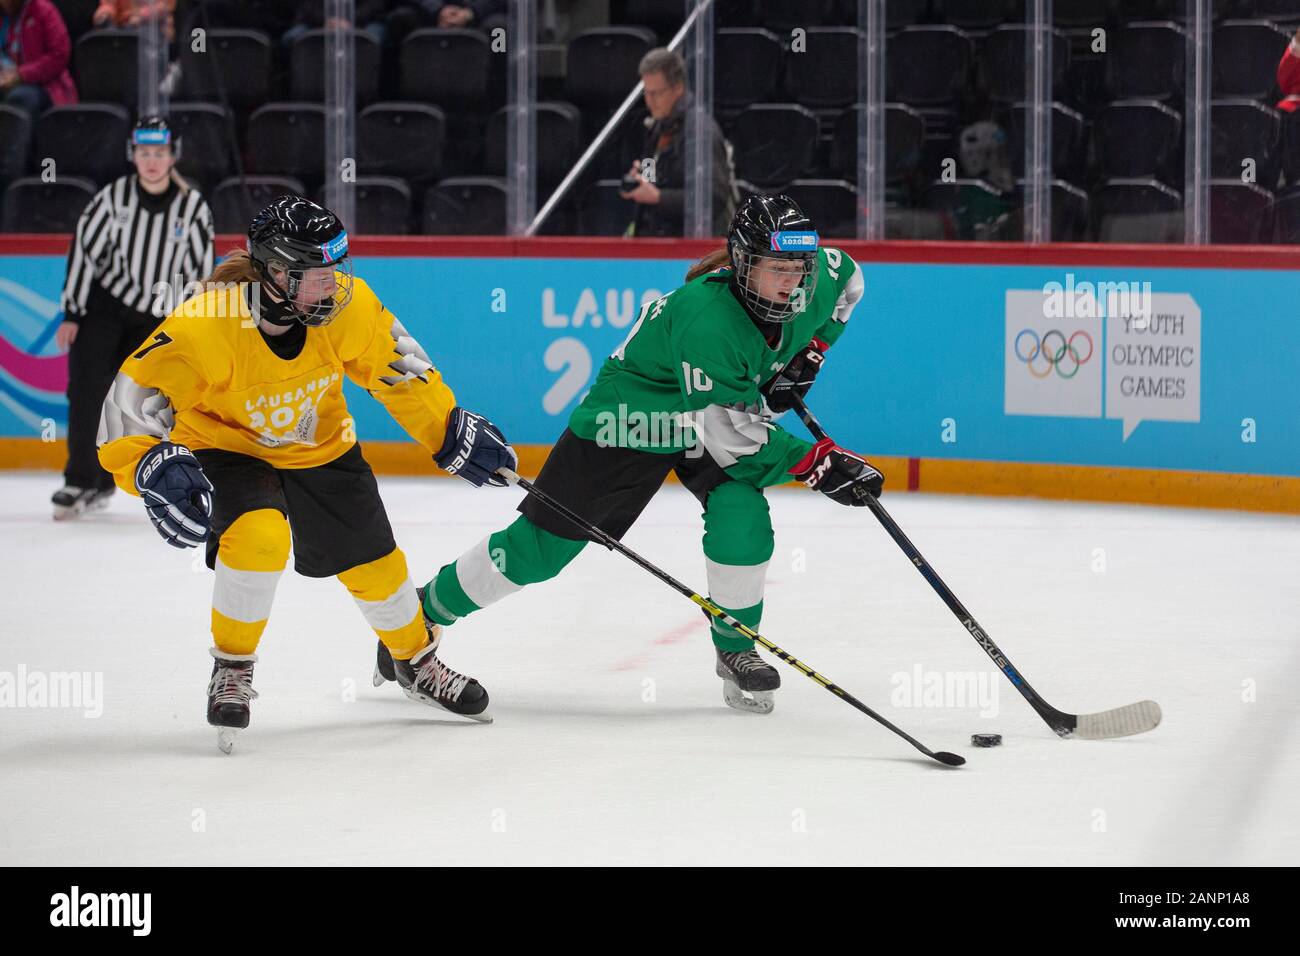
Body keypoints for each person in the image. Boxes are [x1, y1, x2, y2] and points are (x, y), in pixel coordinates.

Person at [384, 195, 872, 714]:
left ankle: (735, 649)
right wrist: (816, 463)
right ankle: (421, 615)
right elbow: (738, 441)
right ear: (742, 264)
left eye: (797, 269)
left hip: (711, 412)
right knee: (539, 552)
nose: (790, 283)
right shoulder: (706, 320)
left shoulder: (821, 275)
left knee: (742, 512)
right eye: (776, 269)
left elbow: (850, 282)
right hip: (632, 416)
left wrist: (811, 353)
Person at [96, 195, 517, 753]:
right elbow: (127, 406)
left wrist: (447, 428)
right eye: (315, 276)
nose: (331, 287)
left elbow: (402, 374)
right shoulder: (207, 325)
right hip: (228, 450)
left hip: (320, 446)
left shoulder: (347, 309)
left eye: (333, 272)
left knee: (376, 562)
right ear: (273, 273)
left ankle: (414, 663)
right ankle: (232, 668)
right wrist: (149, 463)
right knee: (258, 539)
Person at [53, 116, 213, 520]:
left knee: (145, 402)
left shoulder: (192, 206)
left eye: (159, 153)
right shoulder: (111, 199)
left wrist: (192, 325)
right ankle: (81, 479)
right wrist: (73, 311)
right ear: (134, 156)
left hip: (155, 318)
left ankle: (143, 478)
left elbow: (199, 272)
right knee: (87, 389)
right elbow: (84, 253)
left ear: (172, 156)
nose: (152, 161)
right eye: (144, 153)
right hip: (107, 308)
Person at [620, 47, 736, 238]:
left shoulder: (700, 132)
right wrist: (642, 176)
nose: (649, 102)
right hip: (658, 240)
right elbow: (653, 170)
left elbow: (712, 199)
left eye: (656, 94)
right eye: (646, 93)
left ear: (678, 88)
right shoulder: (659, 125)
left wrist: (658, 198)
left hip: (688, 248)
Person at [0, 0, 77, 119]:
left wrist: (21, 75)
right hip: (8, 80)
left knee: (20, 97)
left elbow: (59, 56)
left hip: (46, 87)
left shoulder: (43, 10)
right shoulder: (5, 17)